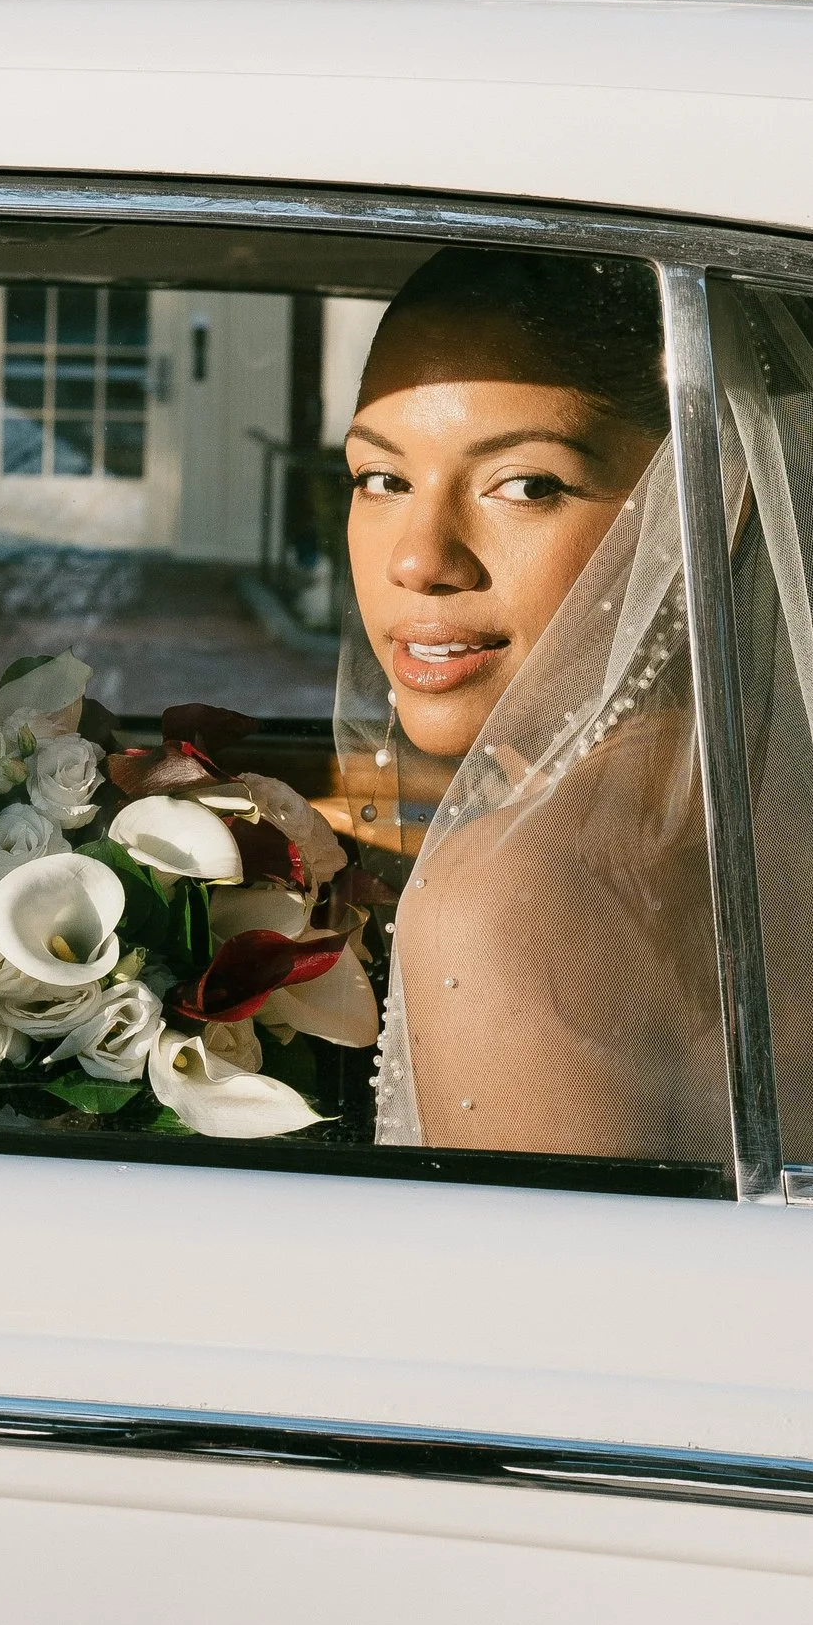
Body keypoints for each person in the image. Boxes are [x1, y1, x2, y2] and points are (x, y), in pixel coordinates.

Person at [342, 248, 729, 1163]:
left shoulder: (513, 895)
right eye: (381, 480)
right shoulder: (803, 810)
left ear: (700, 502)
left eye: (526, 485)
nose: (419, 560)